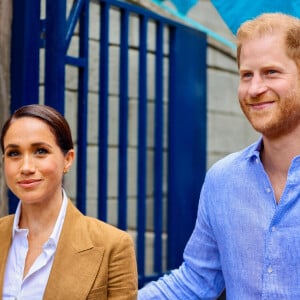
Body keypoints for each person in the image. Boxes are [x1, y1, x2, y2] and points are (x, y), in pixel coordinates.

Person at [139, 12, 300, 299]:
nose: (255, 89)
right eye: (246, 75)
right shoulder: (222, 179)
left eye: (271, 72)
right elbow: (195, 281)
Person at [0, 104, 137, 299]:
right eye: (14, 153)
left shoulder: (112, 246)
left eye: (40, 151)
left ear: (68, 159)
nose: (26, 167)